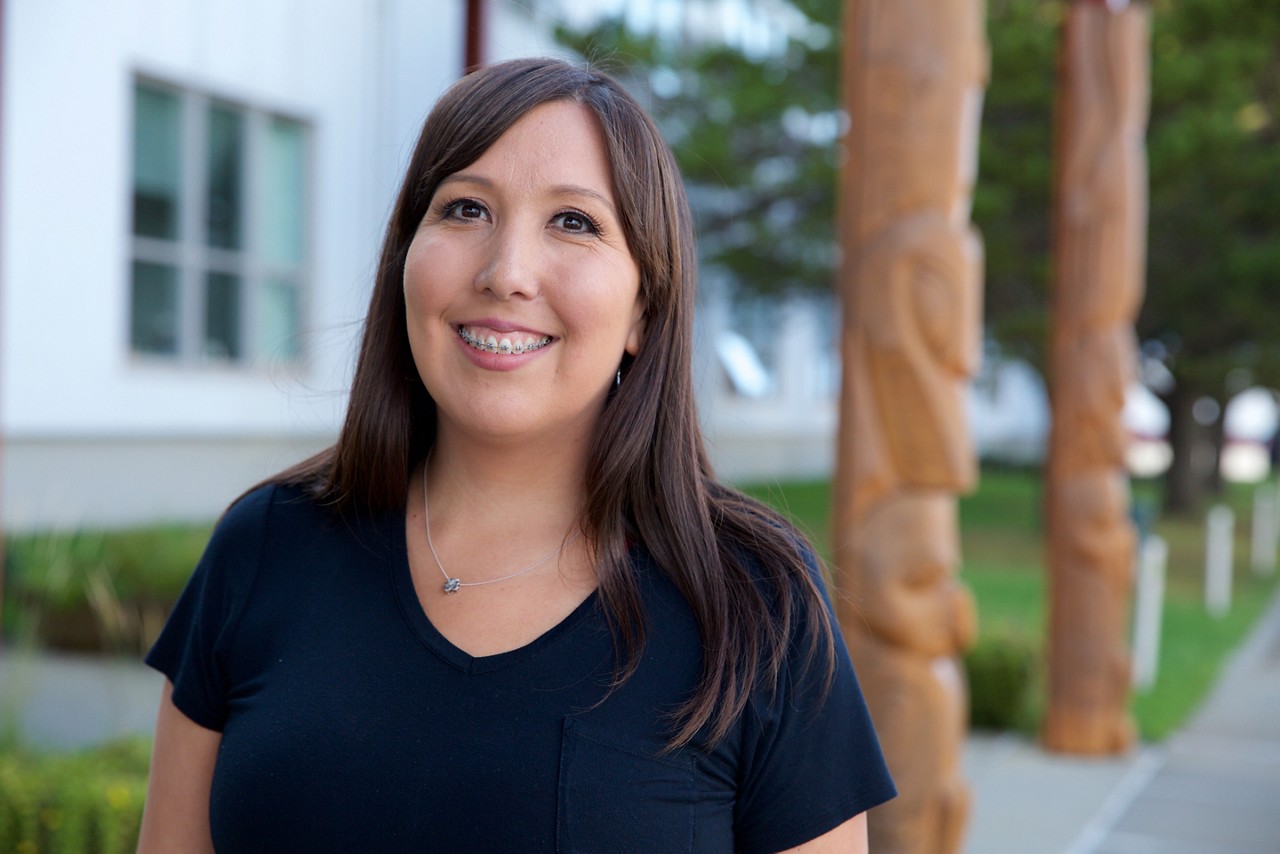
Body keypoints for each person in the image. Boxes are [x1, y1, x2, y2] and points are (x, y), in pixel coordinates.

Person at [137, 57, 895, 853]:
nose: (506, 274)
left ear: (645, 308)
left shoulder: (754, 603)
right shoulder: (264, 547)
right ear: (405, 259)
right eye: (465, 208)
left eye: (574, 222)